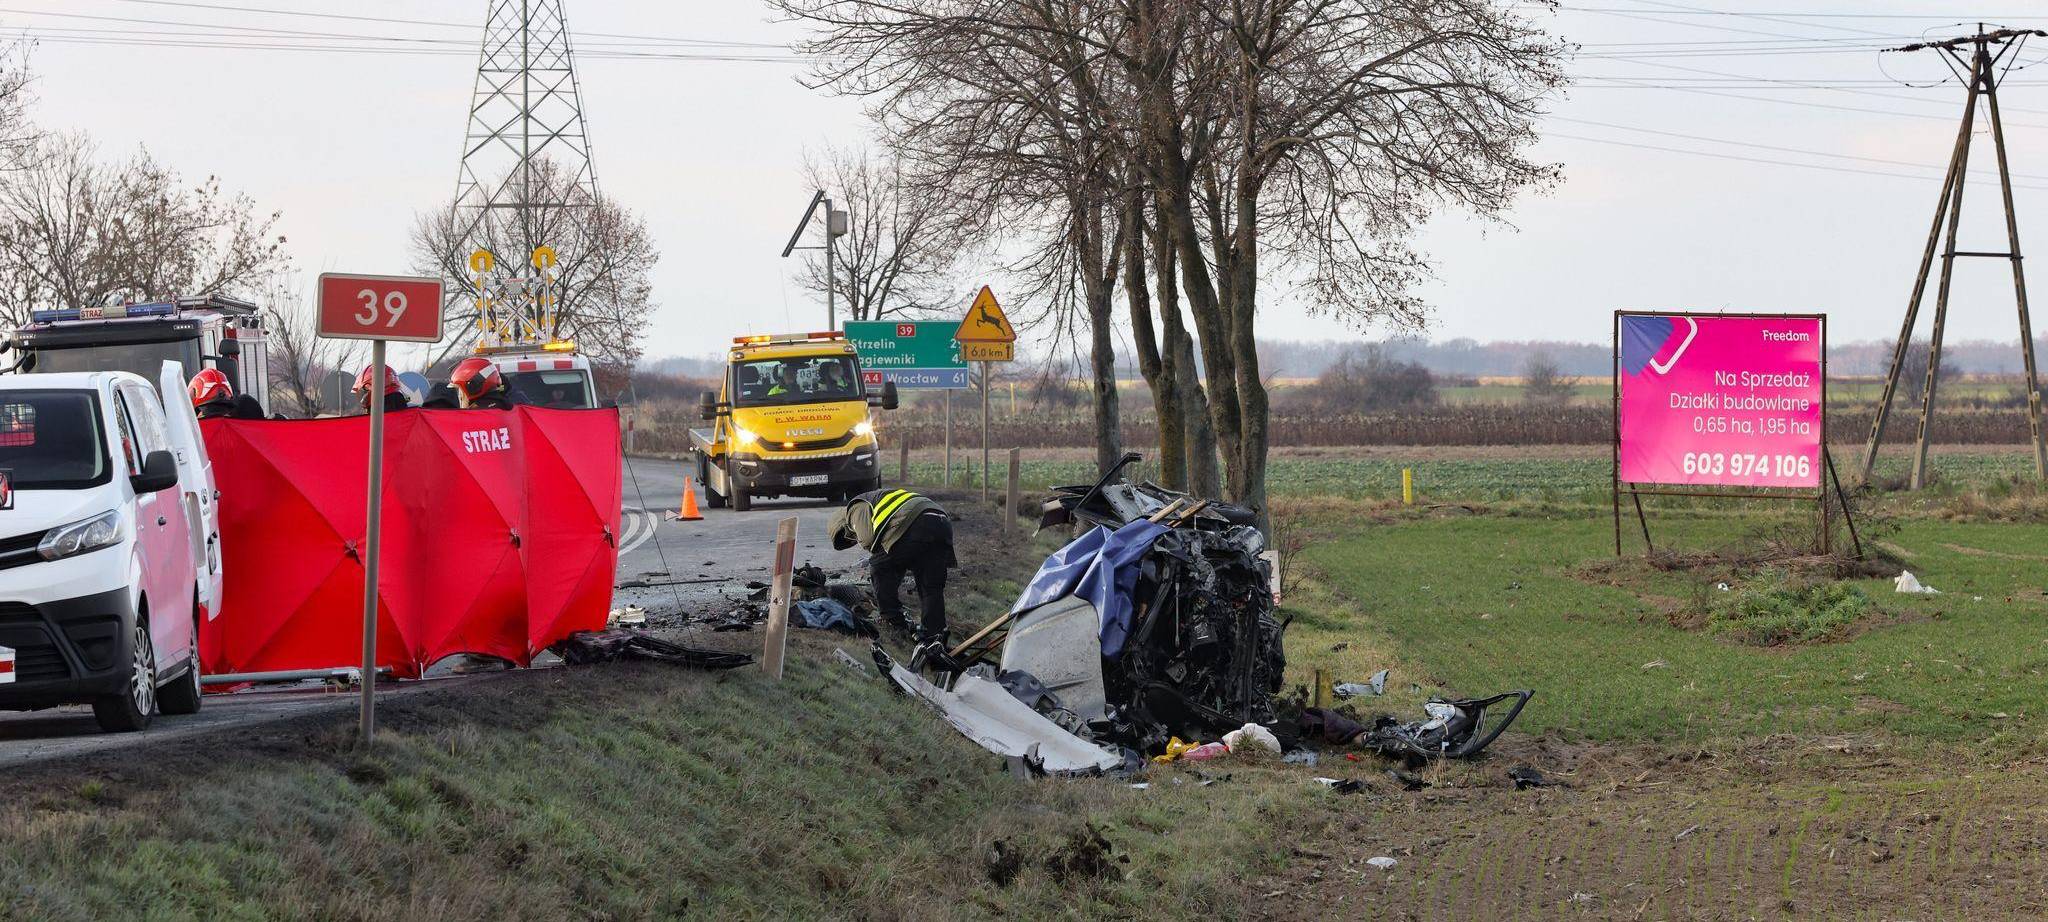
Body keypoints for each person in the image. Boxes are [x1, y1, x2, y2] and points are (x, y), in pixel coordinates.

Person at [830, 488, 958, 671]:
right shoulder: (879, 500)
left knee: (880, 567)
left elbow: (868, 540)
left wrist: (887, 562)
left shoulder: (855, 507)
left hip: (916, 523)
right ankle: (934, 639)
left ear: (842, 524)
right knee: (931, 588)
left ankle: (892, 619)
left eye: (849, 537)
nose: (852, 541)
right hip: (940, 522)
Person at [449, 357, 514, 409]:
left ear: (473, 388)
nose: (459, 396)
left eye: (459, 390)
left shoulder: (470, 419)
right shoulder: (512, 409)